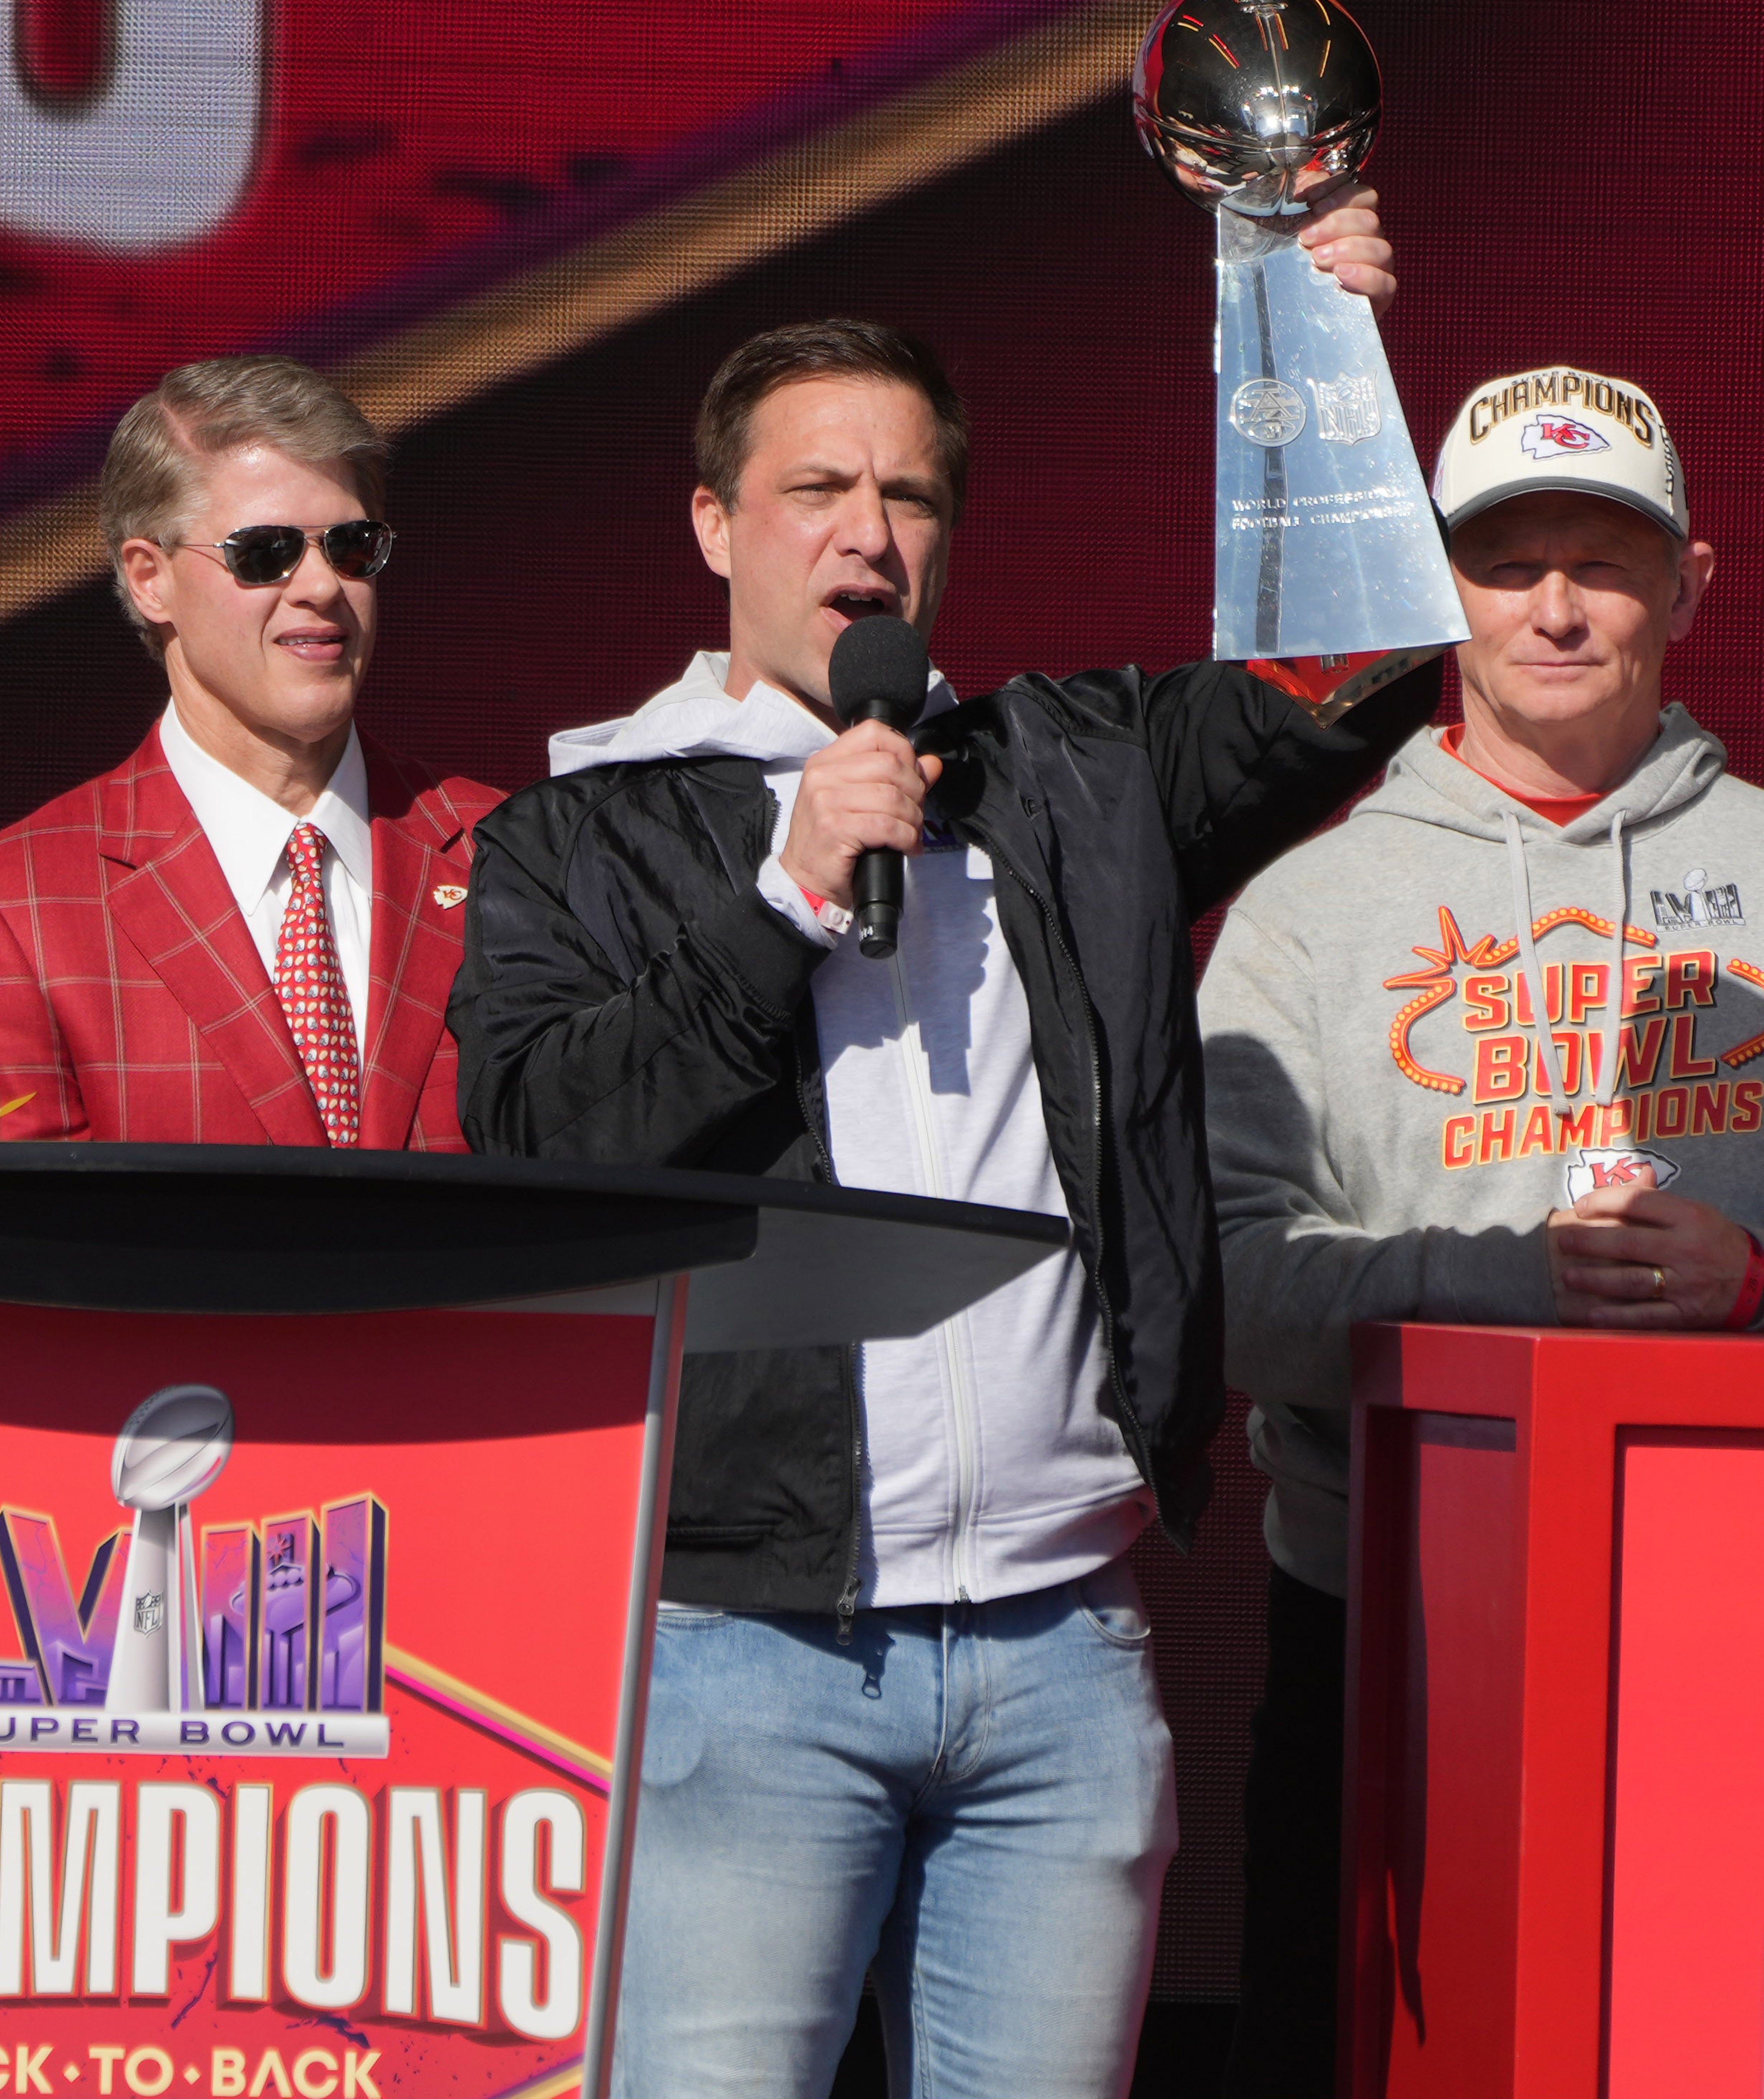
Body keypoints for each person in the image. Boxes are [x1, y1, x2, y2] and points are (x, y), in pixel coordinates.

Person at [448, 239, 1428, 2091]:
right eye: (814, 489)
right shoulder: (574, 827)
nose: (865, 535)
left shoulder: (1069, 770)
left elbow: (1358, 669)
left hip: (1058, 1648)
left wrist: (1311, 343)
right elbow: (546, 1142)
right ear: (709, 524)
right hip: (740, 1651)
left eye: (906, 493)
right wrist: (782, 900)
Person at [1197, 363, 1764, 2092]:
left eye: (1603, 560)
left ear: (1687, 584)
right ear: (1438, 594)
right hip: (1385, 1645)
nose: (1554, 608)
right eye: (1504, 563)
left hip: (1752, 1631)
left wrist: (1759, 1282)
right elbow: (1234, 1298)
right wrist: (1516, 1290)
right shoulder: (1302, 909)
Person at [0, 355, 499, 1148]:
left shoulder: (509, 853)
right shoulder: (8, 912)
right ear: (149, 579)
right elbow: (10, 1257)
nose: (321, 585)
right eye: (266, 551)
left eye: (352, 546)